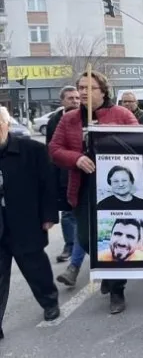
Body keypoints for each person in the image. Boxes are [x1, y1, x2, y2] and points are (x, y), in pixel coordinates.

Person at [49, 70, 138, 314]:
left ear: (104, 91)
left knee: (113, 237)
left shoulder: (121, 114)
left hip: (116, 189)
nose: (84, 92)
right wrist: (76, 158)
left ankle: (117, 289)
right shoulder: (68, 119)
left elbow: (141, 142)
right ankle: (107, 274)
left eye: (90, 88)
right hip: (84, 188)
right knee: (88, 238)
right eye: (81, 88)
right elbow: (54, 149)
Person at [0, 106, 61, 341]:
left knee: (36, 268)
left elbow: (48, 185)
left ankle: (49, 302)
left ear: (6, 125)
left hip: (26, 222)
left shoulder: (32, 150)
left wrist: (49, 216)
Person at [46, 85, 80, 263]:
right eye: (70, 98)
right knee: (67, 213)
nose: (75, 101)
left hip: (84, 172)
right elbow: (51, 150)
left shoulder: (87, 118)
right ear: (62, 101)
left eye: (77, 98)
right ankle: (70, 245)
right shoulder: (54, 121)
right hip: (62, 174)